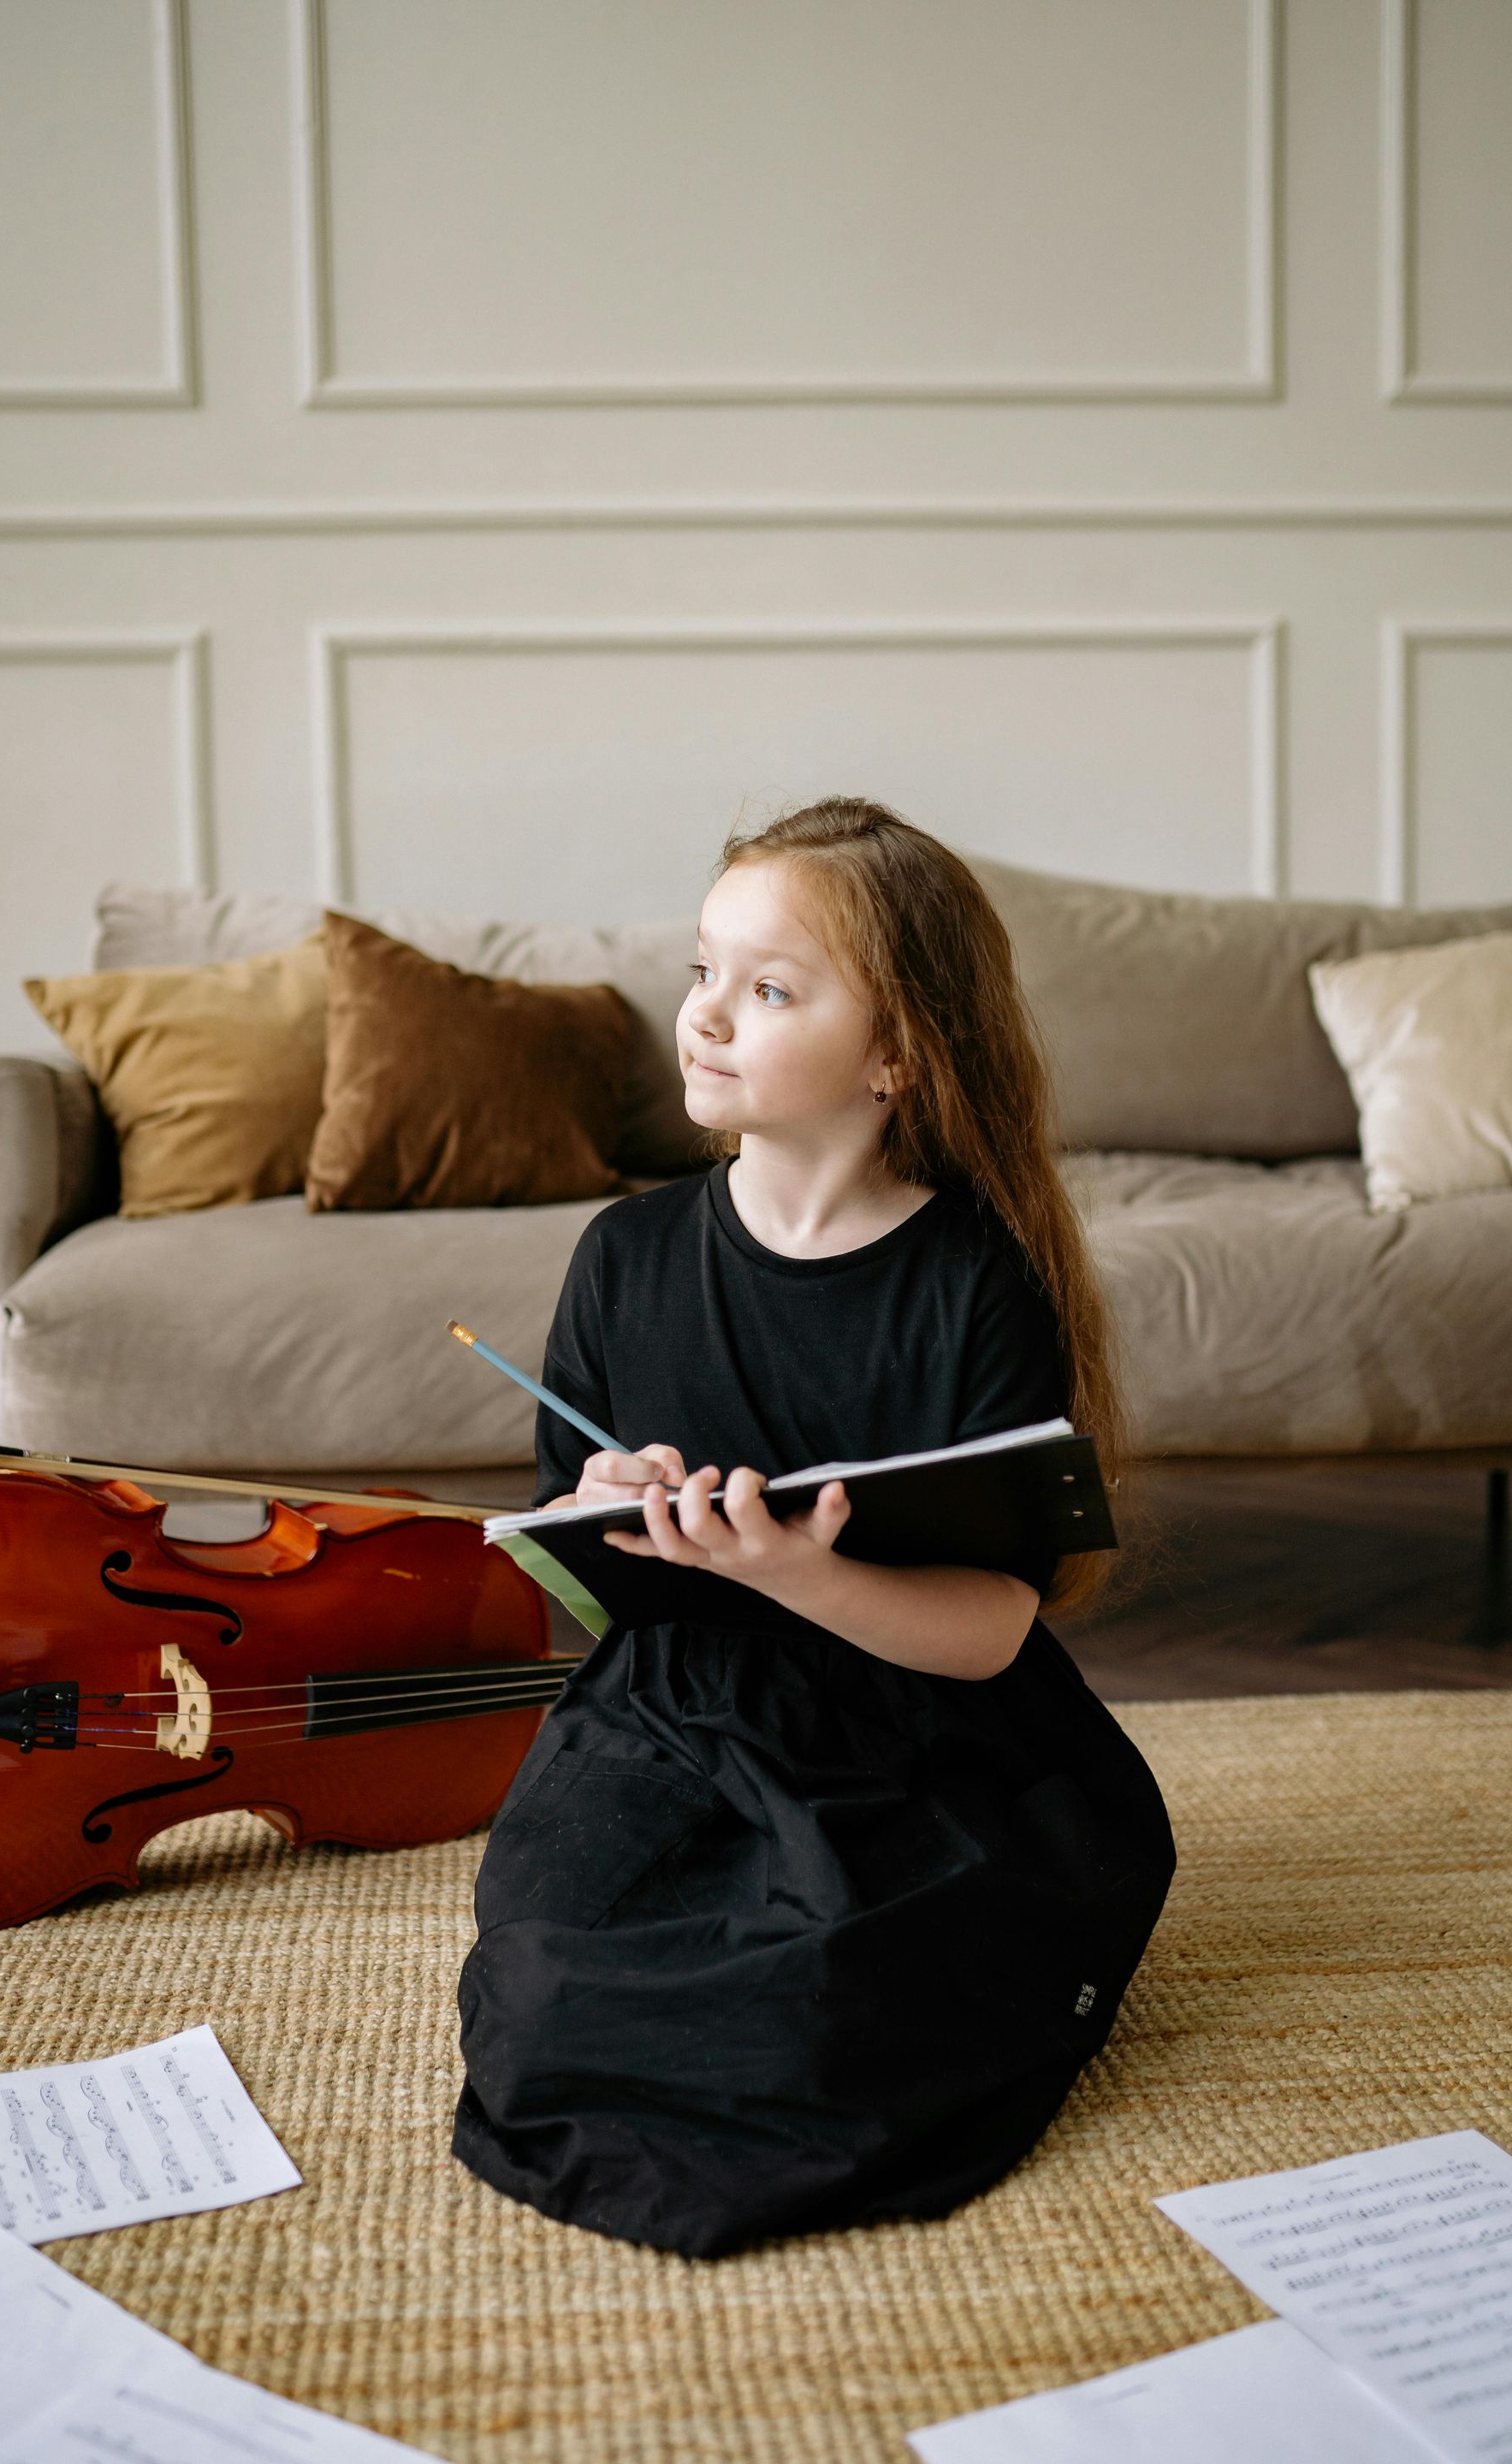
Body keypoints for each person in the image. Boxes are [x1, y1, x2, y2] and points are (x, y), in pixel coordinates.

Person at [452, 797, 1176, 2257]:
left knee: (844, 1993)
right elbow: (584, 1598)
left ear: (898, 1054)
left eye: (770, 990)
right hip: (669, 1717)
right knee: (538, 1982)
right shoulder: (626, 1256)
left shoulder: (976, 1283)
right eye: (705, 970)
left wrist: (801, 1571)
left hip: (915, 1726)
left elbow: (987, 1633)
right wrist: (600, 1517)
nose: (708, 1017)